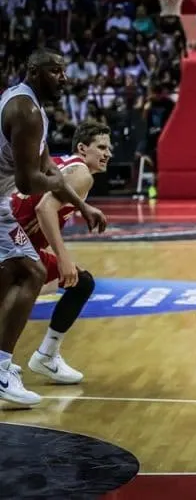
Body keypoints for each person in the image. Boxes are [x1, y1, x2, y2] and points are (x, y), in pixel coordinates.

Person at [0, 49, 106, 407]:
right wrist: (63, 257)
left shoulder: (33, 110)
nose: (64, 77)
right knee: (30, 271)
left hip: (3, 204)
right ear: (34, 71)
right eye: (55, 71)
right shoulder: (27, 112)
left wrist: (83, 207)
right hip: (5, 208)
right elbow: (33, 187)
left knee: (14, 277)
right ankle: (5, 367)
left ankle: (31, 359)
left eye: (64, 71)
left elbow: (50, 175)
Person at [9, 121, 112, 384]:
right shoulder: (82, 175)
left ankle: (44, 356)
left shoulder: (64, 164)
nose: (107, 153)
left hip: (18, 241)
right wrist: (63, 258)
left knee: (80, 282)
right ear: (82, 148)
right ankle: (32, 359)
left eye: (109, 148)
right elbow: (45, 208)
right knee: (66, 282)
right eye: (101, 147)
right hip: (11, 241)